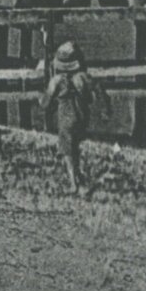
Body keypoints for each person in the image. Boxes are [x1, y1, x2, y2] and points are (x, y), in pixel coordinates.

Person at [40, 39, 110, 196]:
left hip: (66, 118)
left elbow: (45, 103)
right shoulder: (83, 78)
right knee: (75, 147)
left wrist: (42, 99)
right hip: (82, 117)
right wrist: (105, 110)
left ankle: (74, 183)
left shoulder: (56, 81)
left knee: (67, 151)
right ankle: (79, 176)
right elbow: (99, 90)